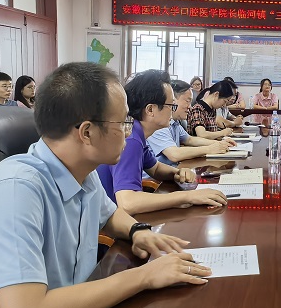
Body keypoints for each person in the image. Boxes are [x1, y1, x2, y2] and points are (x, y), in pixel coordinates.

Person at [0, 62, 212, 308]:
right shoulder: (15, 190)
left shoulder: (81, 170)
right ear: (87, 132)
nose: (129, 131)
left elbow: (109, 214)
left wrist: (138, 231)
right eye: (123, 121)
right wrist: (144, 276)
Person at [97, 70, 228, 214]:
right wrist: (188, 196)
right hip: (107, 222)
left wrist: (177, 173)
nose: (172, 111)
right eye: (170, 105)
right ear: (150, 109)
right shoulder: (131, 139)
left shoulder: (138, 133)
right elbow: (128, 203)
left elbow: (155, 168)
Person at [147, 80, 233, 167]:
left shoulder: (175, 122)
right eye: (187, 101)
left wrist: (218, 144)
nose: (190, 107)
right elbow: (174, 154)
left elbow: (189, 140)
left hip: (173, 169)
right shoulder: (158, 124)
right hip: (161, 175)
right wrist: (209, 149)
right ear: (173, 100)